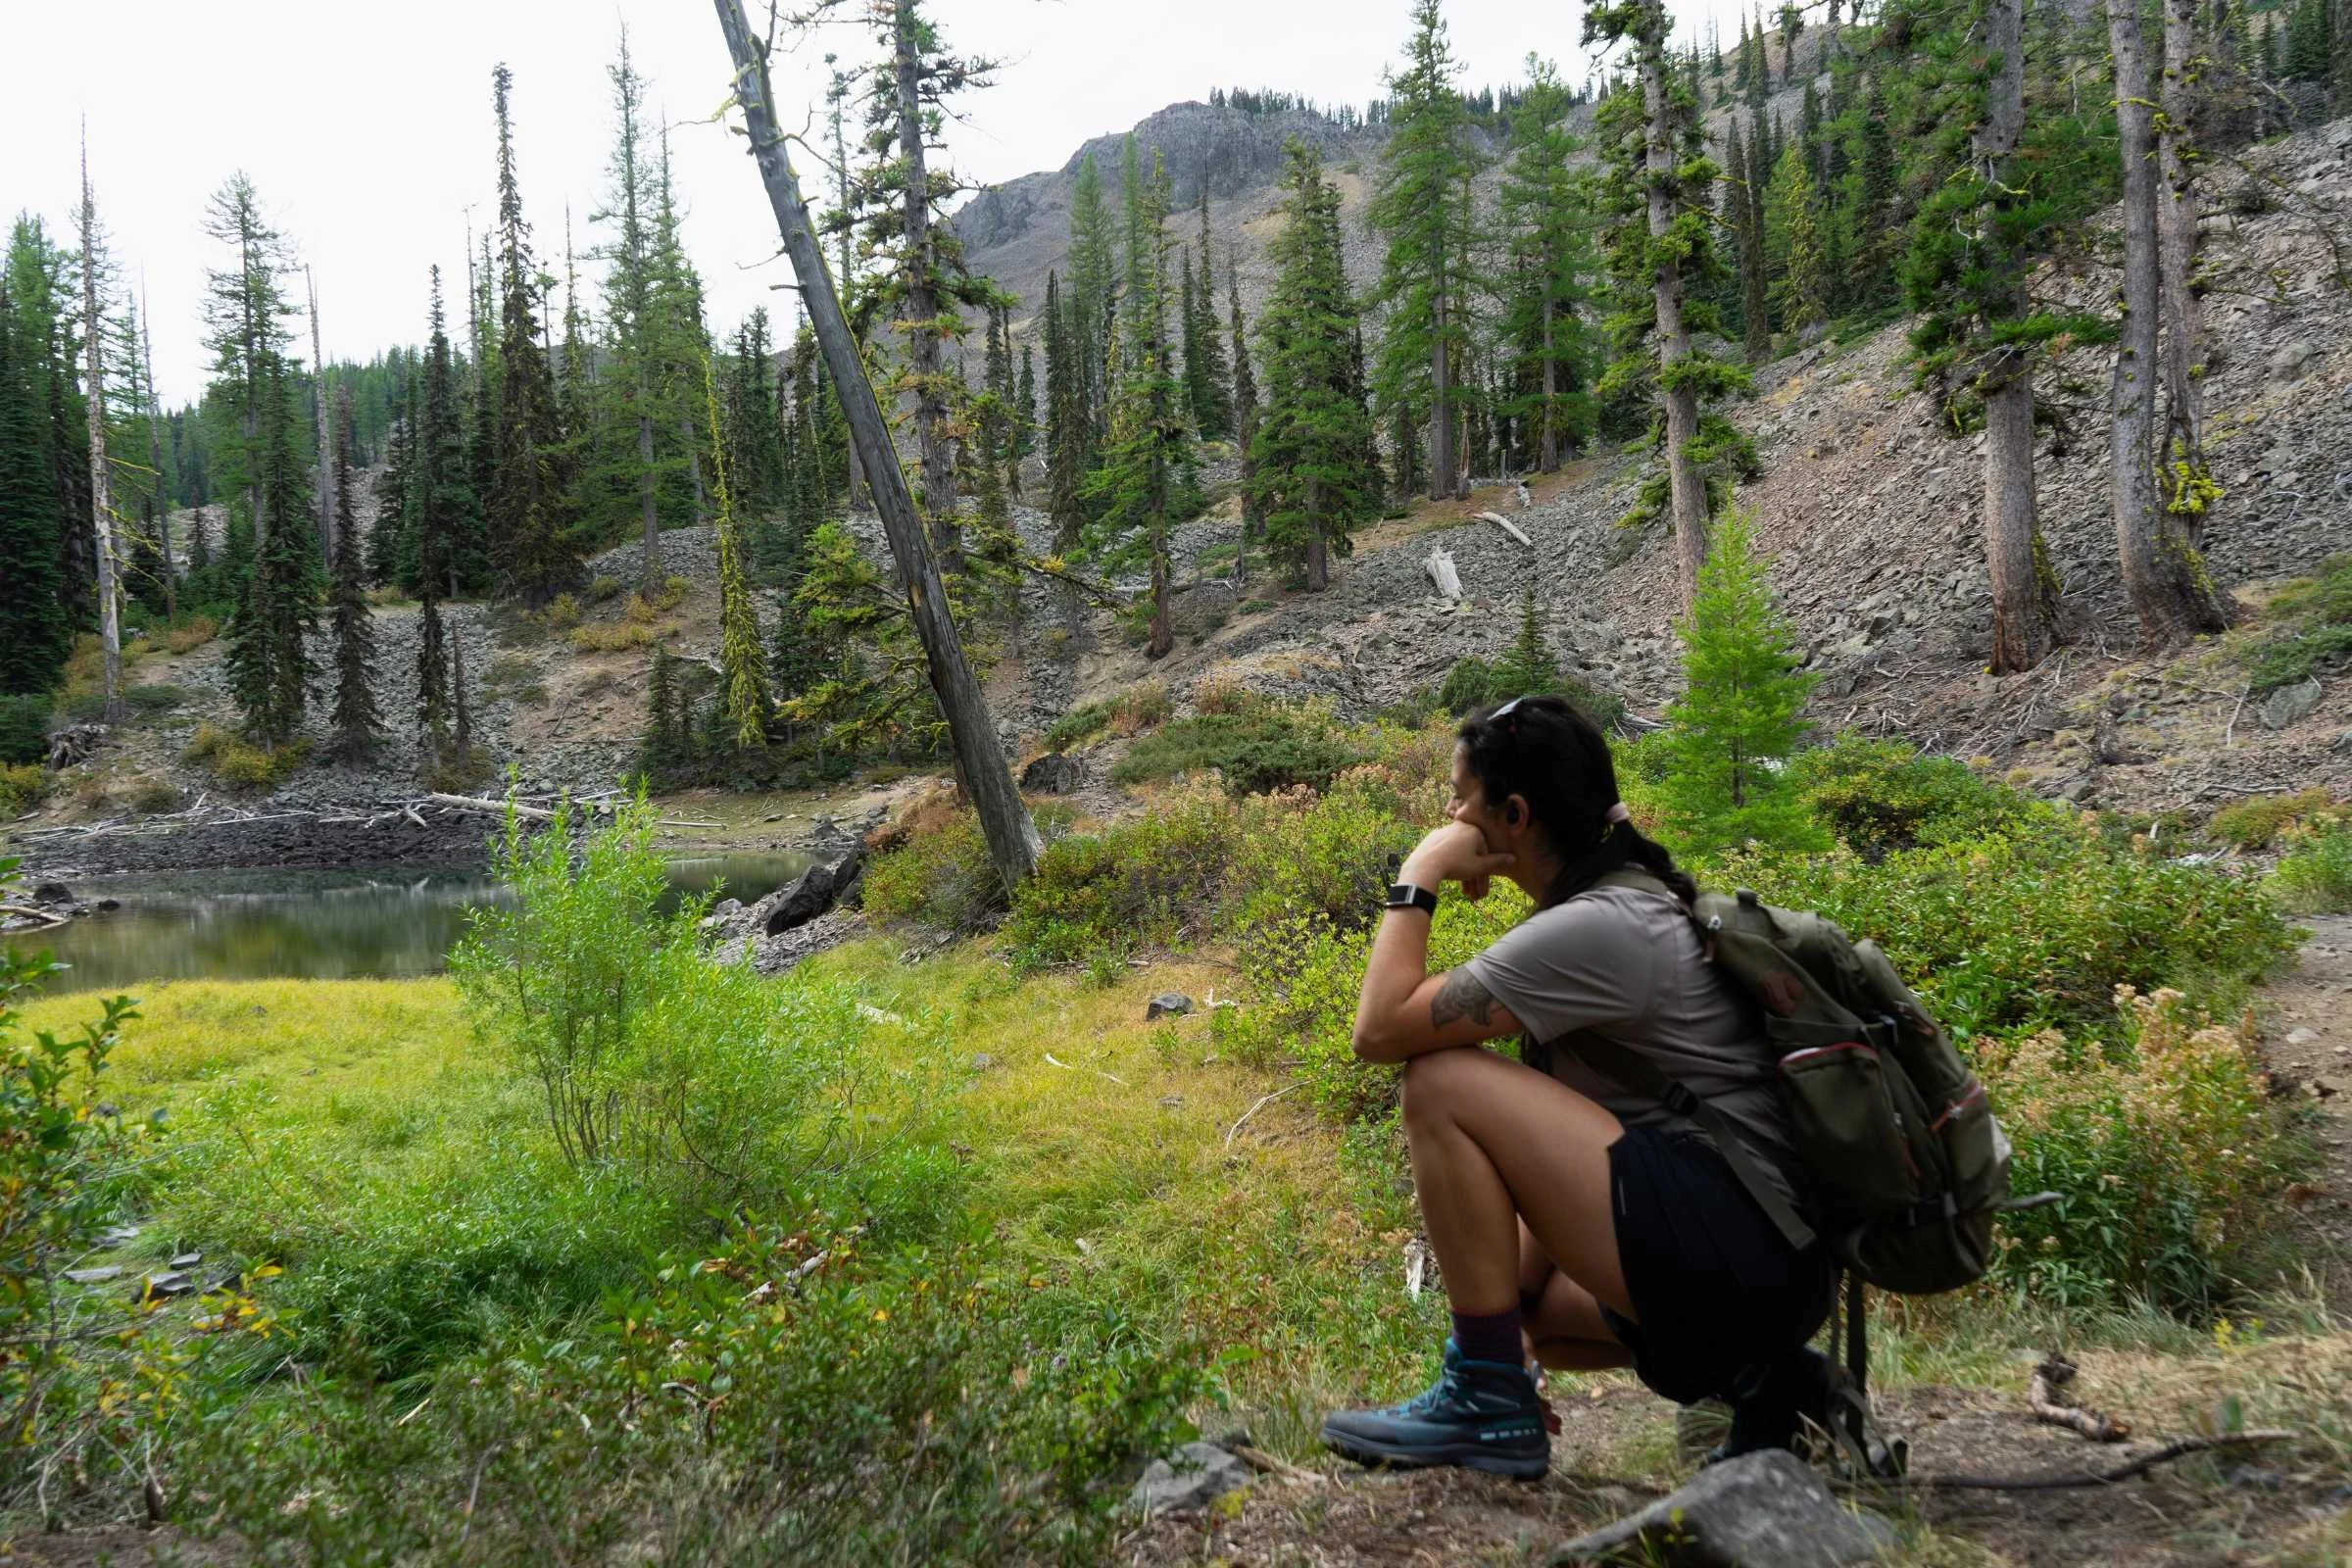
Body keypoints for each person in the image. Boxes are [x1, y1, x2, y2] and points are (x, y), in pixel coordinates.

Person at [1319, 695, 1835, 1479]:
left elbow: (1380, 1030)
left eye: (1460, 798)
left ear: (1515, 815)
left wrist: (1418, 872)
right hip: (1762, 1275)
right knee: (1511, 1306)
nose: (1448, 813)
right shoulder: (1618, 900)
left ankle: (1488, 1408)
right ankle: (1772, 1384)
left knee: (1441, 1080)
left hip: (1741, 1259)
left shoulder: (1597, 928)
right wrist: (1498, 1325)